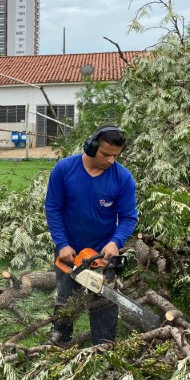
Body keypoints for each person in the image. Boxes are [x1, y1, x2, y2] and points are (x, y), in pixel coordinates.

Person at [45, 126, 138, 345]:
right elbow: (53, 209)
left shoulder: (122, 178)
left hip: (101, 253)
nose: (110, 160)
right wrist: (62, 243)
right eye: (106, 154)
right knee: (65, 298)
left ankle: (103, 347)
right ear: (91, 146)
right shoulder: (64, 169)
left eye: (116, 155)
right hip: (70, 249)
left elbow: (128, 217)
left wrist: (115, 243)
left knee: (104, 301)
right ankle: (59, 341)